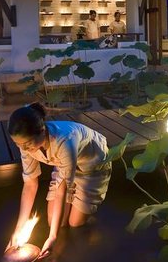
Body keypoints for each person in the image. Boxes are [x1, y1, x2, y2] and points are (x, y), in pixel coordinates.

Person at [7, 103, 112, 259]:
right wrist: (17, 231)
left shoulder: (65, 141)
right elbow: (30, 184)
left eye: (27, 144)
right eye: (18, 144)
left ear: (42, 131)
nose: (24, 149)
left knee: (75, 223)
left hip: (92, 167)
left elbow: (61, 191)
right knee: (55, 222)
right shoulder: (25, 143)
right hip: (64, 166)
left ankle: (90, 222)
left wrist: (52, 237)